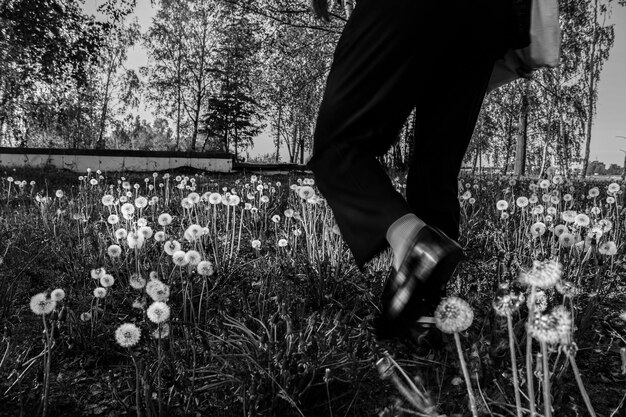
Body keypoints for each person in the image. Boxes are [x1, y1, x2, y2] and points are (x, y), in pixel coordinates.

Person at [306, 0, 524, 342]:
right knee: (436, 167)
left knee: (338, 146)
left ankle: (412, 239)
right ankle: (420, 313)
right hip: (488, 18)